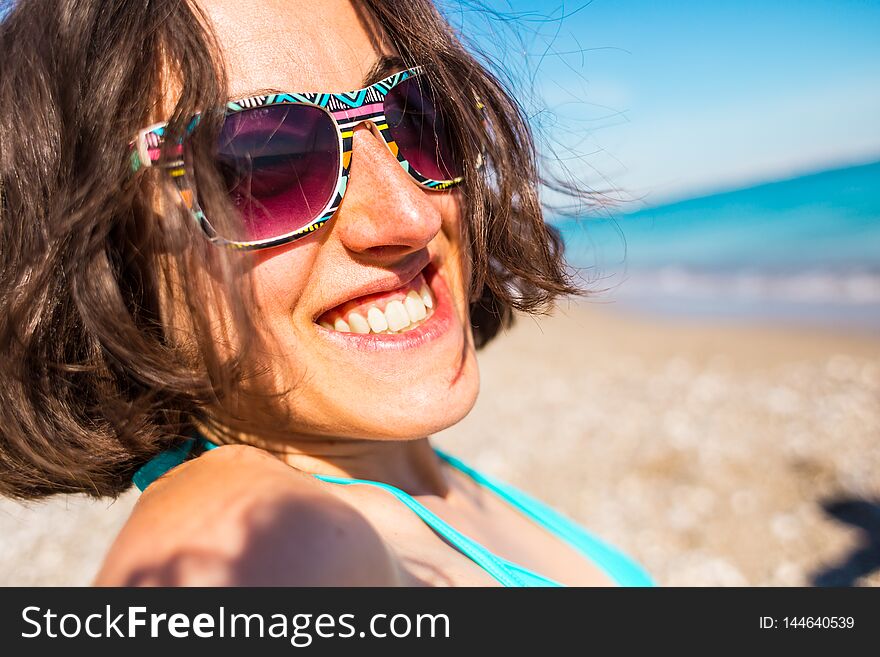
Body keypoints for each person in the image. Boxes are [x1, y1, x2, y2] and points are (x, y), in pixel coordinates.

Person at [0, 0, 654, 587]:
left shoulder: (427, 485)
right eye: (260, 165)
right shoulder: (272, 530)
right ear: (109, 250)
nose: (410, 217)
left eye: (418, 115)